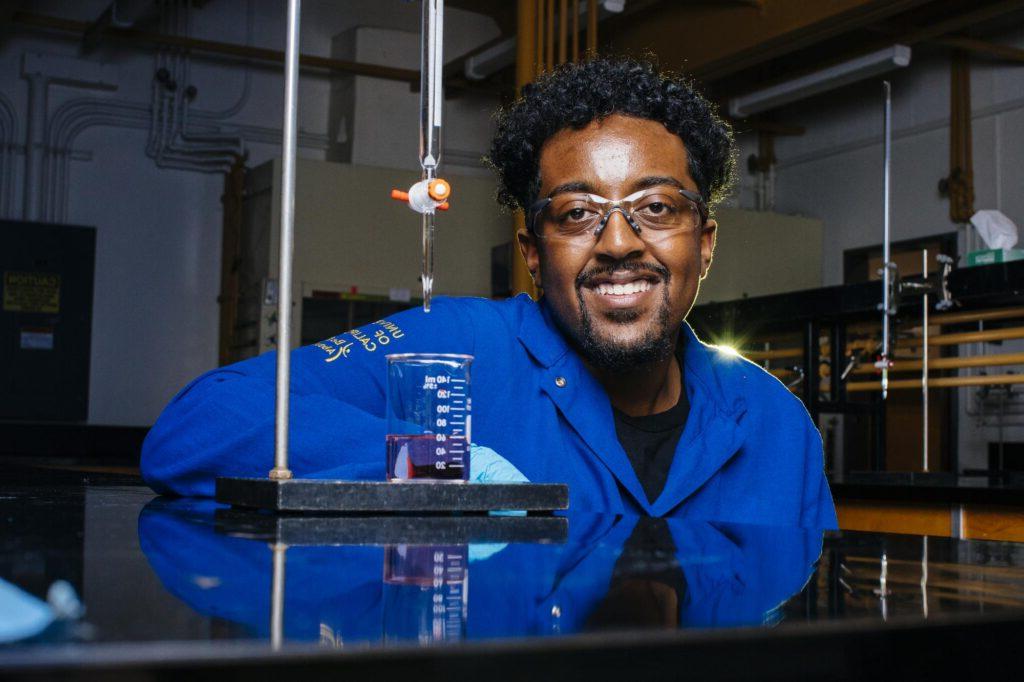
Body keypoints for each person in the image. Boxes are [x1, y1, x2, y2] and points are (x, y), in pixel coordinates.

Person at [141, 57, 837, 528]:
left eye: (656, 208)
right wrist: (446, 469)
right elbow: (198, 425)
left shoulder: (776, 428)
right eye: (576, 214)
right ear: (533, 255)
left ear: (705, 244)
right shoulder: (455, 349)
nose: (619, 242)